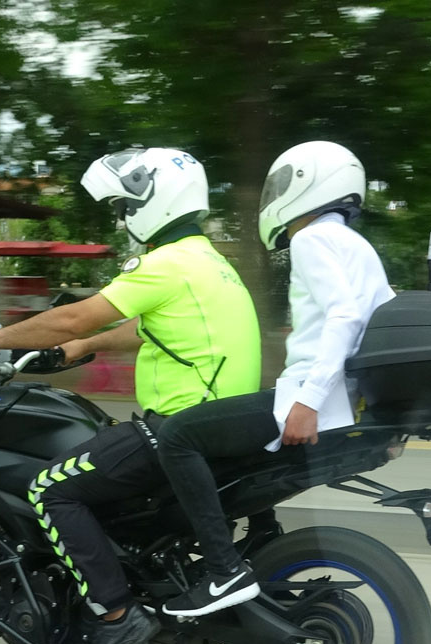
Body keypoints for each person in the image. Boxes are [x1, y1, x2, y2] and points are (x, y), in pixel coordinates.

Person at [0, 147, 261, 644]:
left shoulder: (163, 264)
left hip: (176, 430)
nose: (121, 218)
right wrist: (78, 350)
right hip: (219, 426)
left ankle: (115, 619)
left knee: (51, 489)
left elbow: (73, 314)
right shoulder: (208, 263)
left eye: (125, 205)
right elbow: (147, 327)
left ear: (154, 199)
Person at [156, 141, 394, 618]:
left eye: (282, 185)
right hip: (346, 397)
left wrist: (308, 400)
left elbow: (344, 316)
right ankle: (263, 536)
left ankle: (223, 572)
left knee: (179, 435)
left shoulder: (311, 239)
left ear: (308, 183)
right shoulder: (355, 244)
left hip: (315, 398)